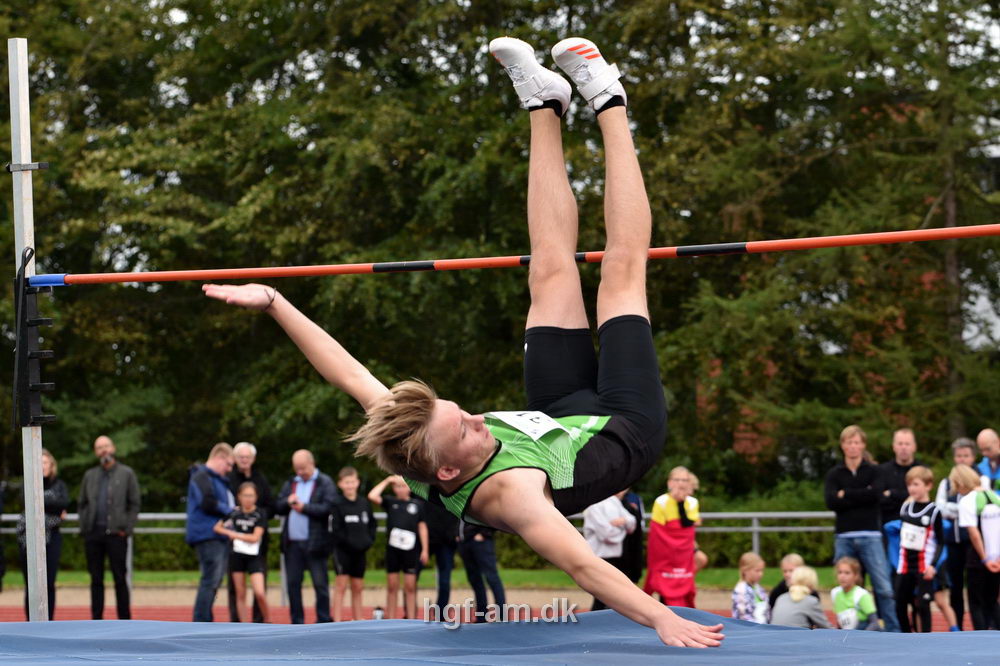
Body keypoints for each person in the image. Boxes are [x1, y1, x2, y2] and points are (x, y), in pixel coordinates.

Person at [202, 33, 725, 648]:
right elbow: (585, 565)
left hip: (558, 417)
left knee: (550, 271)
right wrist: (661, 616)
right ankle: (609, 100)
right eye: (469, 429)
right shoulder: (511, 496)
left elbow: (347, 373)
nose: (479, 417)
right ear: (451, 468)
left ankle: (544, 105)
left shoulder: (415, 443)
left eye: (463, 412)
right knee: (620, 276)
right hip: (624, 431)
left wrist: (275, 301)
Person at [823, 424, 900, 631]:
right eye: (849, 442)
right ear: (843, 446)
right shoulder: (834, 474)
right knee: (845, 587)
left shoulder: (875, 471)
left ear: (863, 445)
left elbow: (875, 496)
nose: (853, 446)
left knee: (883, 588)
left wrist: (845, 494)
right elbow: (830, 502)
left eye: (857, 442)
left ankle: (894, 632)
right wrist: (861, 494)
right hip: (844, 536)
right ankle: (850, 630)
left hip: (871, 536)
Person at [78, 435, 140, 620]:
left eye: (106, 446)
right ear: (96, 452)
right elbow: (82, 503)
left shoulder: (127, 473)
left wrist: (126, 529)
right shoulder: (90, 475)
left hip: (117, 535)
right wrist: (85, 526)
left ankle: (125, 620)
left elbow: (134, 504)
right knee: (96, 580)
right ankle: (96, 620)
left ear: (113, 448)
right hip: (93, 535)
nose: (103, 450)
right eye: (99, 447)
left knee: (120, 579)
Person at [276, 449, 336, 624]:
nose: (299, 472)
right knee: (293, 585)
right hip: (292, 544)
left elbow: (329, 508)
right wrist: (287, 502)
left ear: (312, 463)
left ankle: (323, 621)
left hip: (316, 543)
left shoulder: (325, 482)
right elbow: (277, 506)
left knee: (320, 585)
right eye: (297, 469)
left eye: (302, 468)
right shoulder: (290, 483)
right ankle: (297, 622)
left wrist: (305, 508)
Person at [185, 442, 236, 622]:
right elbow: (207, 502)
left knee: (214, 581)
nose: (229, 469)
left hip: (216, 535)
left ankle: (205, 619)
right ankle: (201, 621)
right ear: (219, 457)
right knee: (210, 580)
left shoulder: (216, 479)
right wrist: (230, 511)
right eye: (228, 464)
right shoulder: (201, 476)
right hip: (207, 534)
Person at [16, 449, 68, 620]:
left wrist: (38, 500)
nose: (42, 466)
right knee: (30, 584)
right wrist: (53, 506)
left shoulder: (59, 484)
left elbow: (64, 503)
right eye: (39, 462)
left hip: (51, 538)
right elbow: (25, 500)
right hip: (28, 538)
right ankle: (30, 621)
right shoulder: (28, 484)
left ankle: (49, 622)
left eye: (45, 462)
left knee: (49, 584)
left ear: (51, 465)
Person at [226, 442, 274, 623]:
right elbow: (223, 513)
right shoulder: (229, 479)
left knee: (259, 588)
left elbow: (271, 505)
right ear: (235, 459)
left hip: (257, 544)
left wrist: (255, 516)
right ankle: (238, 622)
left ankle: (262, 622)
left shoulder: (260, 479)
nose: (244, 460)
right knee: (237, 588)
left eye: (247, 457)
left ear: (253, 459)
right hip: (235, 547)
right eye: (241, 457)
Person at [369, 475, 429, 620]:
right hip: (393, 550)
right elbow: (372, 496)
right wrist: (388, 480)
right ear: (394, 488)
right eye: (398, 486)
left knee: (410, 586)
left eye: (404, 486)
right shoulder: (390, 502)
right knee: (392, 586)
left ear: (409, 487)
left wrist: (425, 550)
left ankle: (412, 618)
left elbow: (422, 527)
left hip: (411, 550)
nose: (401, 489)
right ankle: (390, 618)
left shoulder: (417, 504)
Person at [893, 466, 944, 632]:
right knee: (900, 603)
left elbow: (941, 542)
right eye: (909, 485)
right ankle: (906, 635)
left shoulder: (934, 511)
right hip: (905, 565)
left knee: (923, 605)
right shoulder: (905, 508)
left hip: (924, 566)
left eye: (916, 484)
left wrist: (933, 565)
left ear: (928, 485)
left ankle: (926, 637)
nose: (911, 488)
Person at [214, 481, 269, 623]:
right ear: (239, 496)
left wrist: (236, 535)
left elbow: (255, 537)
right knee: (240, 593)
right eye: (245, 495)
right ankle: (244, 625)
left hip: (254, 557)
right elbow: (217, 527)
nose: (248, 499)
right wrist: (229, 532)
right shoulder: (234, 513)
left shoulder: (259, 514)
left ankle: (269, 621)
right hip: (237, 556)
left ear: (256, 497)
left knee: (259, 592)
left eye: (251, 496)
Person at [645, 466, 701, 608]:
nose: (681, 483)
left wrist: (681, 503)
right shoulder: (661, 501)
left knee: (682, 585)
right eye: (677, 480)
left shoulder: (692, 502)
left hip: (683, 553)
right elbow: (659, 532)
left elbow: (687, 525)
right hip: (666, 553)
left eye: (684, 480)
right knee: (665, 586)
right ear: (670, 483)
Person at [935, 438, 976, 630]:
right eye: (959, 456)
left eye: (966, 456)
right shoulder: (946, 483)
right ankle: (958, 626)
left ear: (973, 457)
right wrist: (962, 508)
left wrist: (956, 509)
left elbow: (980, 508)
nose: (962, 460)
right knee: (956, 587)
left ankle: (982, 626)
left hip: (973, 542)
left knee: (976, 586)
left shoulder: (979, 480)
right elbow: (940, 508)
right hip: (952, 542)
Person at [955, 463, 1000, 629]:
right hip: (997, 557)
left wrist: (985, 558)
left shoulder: (968, 501)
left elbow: (974, 534)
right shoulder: (994, 497)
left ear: (960, 483)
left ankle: (980, 639)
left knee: (976, 602)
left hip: (980, 558)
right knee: (992, 601)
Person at [331, 466, 376, 621]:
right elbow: (335, 530)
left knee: (358, 587)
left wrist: (368, 541)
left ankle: (358, 620)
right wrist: (349, 544)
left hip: (360, 552)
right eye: (346, 482)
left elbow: (372, 525)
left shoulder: (364, 503)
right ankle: (336, 621)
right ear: (341, 484)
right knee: (341, 586)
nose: (350, 485)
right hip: (343, 552)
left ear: (357, 482)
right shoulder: (337, 504)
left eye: (352, 482)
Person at [584, 490, 637, 611]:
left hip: (616, 557)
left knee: (614, 596)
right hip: (599, 557)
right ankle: (595, 625)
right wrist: (623, 529)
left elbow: (632, 522)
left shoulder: (614, 501)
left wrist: (623, 522)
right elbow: (606, 533)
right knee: (601, 596)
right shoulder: (593, 505)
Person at [421, 495, 460, 616]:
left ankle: (440, 614)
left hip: (446, 541)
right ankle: (409, 613)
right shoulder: (423, 483)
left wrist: (455, 533)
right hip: (426, 540)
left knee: (444, 581)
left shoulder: (452, 487)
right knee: (411, 576)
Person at [879, 428, 922, 525]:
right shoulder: (882, 470)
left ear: (914, 447)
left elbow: (921, 498)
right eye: (900, 444)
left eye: (907, 444)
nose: (903, 447)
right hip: (887, 526)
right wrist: (907, 496)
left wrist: (891, 493)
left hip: (915, 526)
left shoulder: (922, 471)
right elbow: (880, 500)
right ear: (893, 446)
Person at [831, 556, 879, 630]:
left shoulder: (861, 595)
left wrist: (859, 637)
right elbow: (840, 622)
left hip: (862, 633)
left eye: (847, 573)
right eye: (840, 572)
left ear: (855, 576)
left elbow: (875, 624)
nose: (842, 576)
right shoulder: (835, 593)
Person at [731, 552, 768, 624]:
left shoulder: (758, 588)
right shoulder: (741, 591)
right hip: (752, 631)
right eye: (757, 571)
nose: (761, 574)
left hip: (763, 629)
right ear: (745, 570)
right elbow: (745, 617)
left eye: (762, 570)